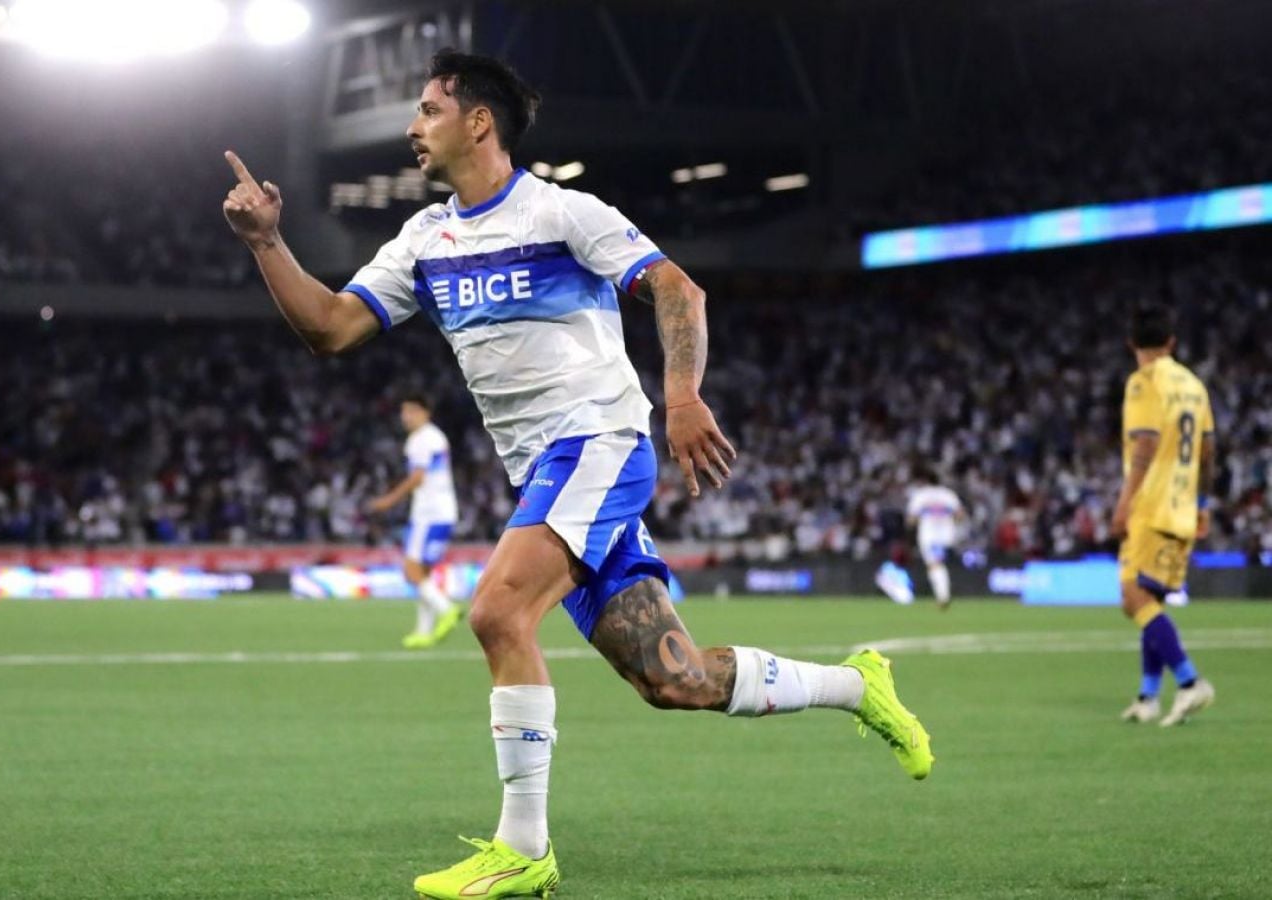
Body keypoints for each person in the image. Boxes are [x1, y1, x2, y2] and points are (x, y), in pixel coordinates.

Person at [222, 48, 933, 899]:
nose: (412, 127)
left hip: (599, 442)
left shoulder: (563, 212)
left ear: (478, 122)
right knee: (675, 678)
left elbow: (678, 290)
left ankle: (523, 849)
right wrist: (266, 242)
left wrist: (681, 398)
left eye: (428, 110)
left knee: (497, 611)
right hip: (545, 473)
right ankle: (858, 685)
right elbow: (331, 328)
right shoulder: (423, 239)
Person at [1113, 304, 1216, 727]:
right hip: (1183, 506)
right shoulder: (1194, 385)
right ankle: (1148, 696)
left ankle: (1190, 681)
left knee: (1132, 597)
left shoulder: (1143, 381)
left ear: (1131, 344)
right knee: (1150, 599)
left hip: (1151, 505)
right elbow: (1208, 452)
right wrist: (1203, 505)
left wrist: (1124, 502)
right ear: (1171, 341)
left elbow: (1145, 443)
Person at [367, 394, 464, 648]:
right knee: (424, 573)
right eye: (404, 411)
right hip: (444, 512)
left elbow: (418, 478)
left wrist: (388, 501)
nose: (406, 417)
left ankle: (447, 609)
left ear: (425, 412)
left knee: (411, 571)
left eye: (411, 411)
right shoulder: (437, 436)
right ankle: (423, 631)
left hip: (427, 514)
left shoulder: (419, 440)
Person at [904, 469, 967, 609]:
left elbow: (911, 520)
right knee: (937, 564)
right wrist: (948, 521)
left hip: (929, 536)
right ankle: (942, 595)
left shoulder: (921, 495)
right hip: (947, 535)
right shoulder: (948, 494)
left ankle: (943, 596)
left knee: (934, 565)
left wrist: (923, 518)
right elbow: (960, 515)